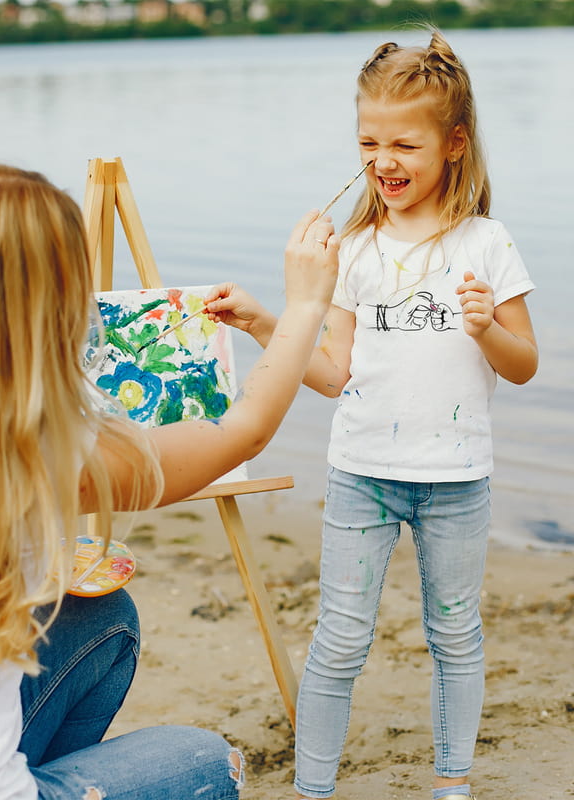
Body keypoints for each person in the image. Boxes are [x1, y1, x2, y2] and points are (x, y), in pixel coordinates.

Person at [0, 163, 339, 800]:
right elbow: (244, 431)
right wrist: (306, 303)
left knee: (101, 620)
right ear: (57, 296)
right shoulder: (39, 442)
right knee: (207, 762)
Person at [204, 30, 537, 800]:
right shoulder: (351, 248)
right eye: (368, 141)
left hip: (457, 480)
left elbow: (525, 367)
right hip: (361, 476)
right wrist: (263, 321)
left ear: (454, 144)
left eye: (404, 144)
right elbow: (329, 376)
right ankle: (311, 789)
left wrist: (488, 329)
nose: (383, 161)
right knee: (341, 638)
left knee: (455, 635)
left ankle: (452, 787)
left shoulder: (487, 243)